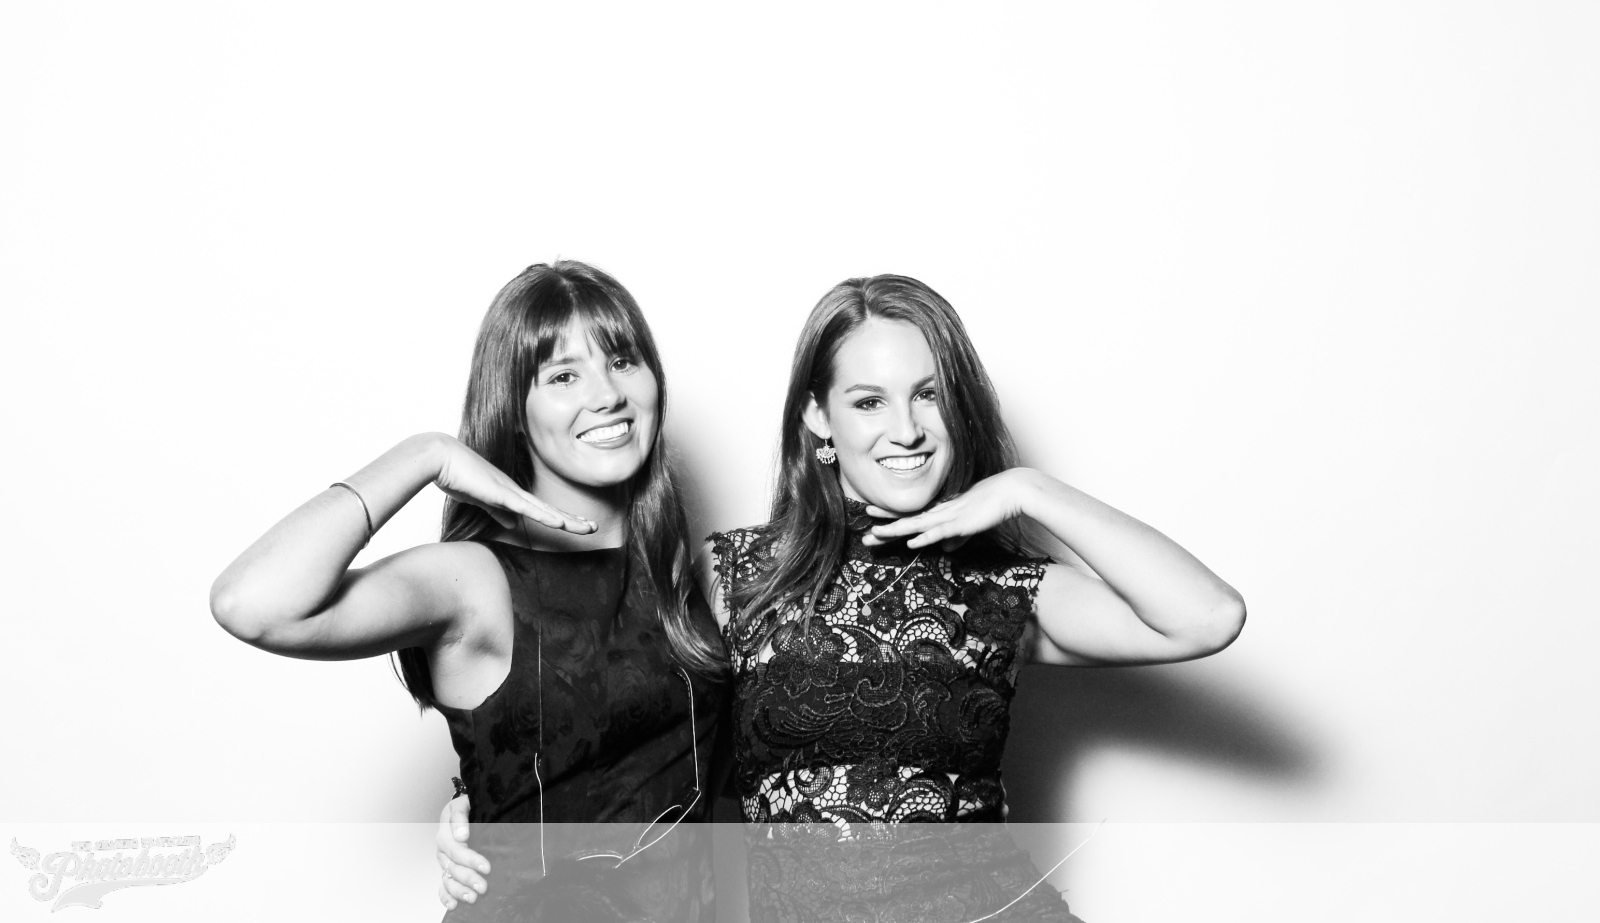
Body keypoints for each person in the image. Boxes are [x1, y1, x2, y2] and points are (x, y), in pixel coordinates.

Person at [438, 273, 1246, 921]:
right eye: (868, 401)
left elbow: (1207, 616)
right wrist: (483, 802)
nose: (907, 428)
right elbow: (609, 707)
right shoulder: (738, 573)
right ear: (818, 418)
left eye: (930, 394)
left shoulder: (1001, 589)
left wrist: (1031, 490)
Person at [209, 260, 726, 922]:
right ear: (514, 412)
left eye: (622, 361)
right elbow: (251, 602)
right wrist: (427, 454)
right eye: (563, 376)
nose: (607, 394)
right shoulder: (476, 580)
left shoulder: (689, 572)